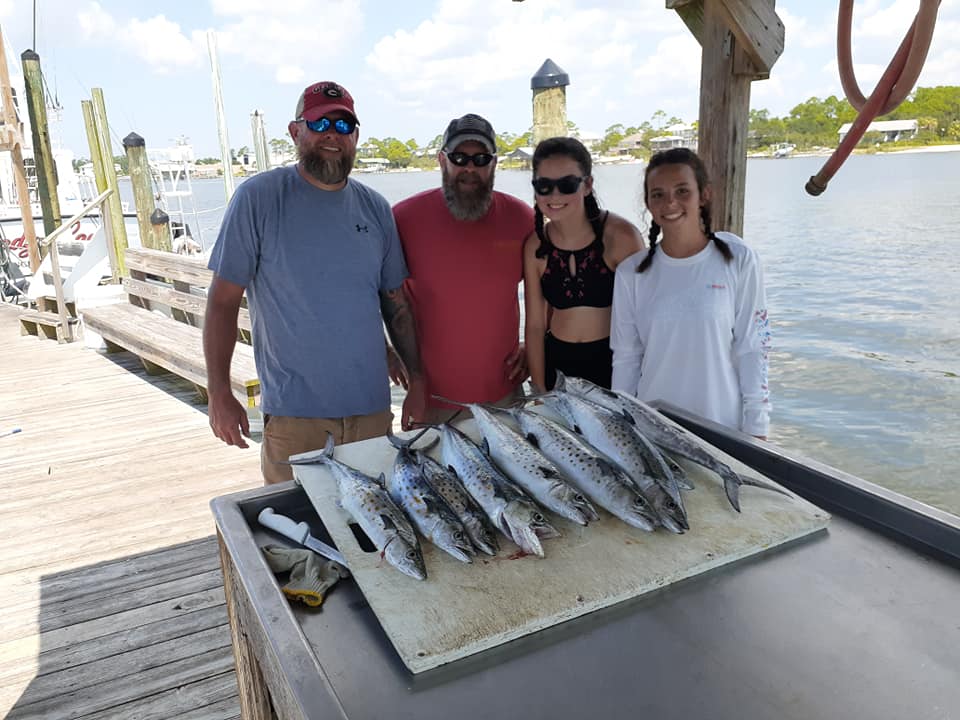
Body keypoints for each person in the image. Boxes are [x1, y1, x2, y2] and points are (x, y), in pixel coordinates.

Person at [204, 80, 425, 484]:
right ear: (295, 131)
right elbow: (221, 302)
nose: (332, 136)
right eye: (320, 123)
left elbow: (395, 303)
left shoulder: (375, 209)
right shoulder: (258, 198)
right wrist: (218, 391)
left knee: (375, 537)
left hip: (371, 414)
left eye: (343, 127)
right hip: (294, 418)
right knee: (299, 535)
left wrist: (418, 378)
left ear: (356, 136)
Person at [610, 148, 771, 439]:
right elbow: (626, 359)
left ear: (704, 195)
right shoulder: (630, 274)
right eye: (657, 194)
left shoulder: (739, 258)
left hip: (724, 426)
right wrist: (625, 430)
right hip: (655, 430)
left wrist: (757, 427)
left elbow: (753, 347)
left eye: (682, 190)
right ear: (648, 203)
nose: (670, 202)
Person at [391, 113, 533, 423]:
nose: (470, 168)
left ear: (494, 164)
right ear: (442, 161)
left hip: (506, 399)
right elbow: (372, 291)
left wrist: (535, 344)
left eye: (481, 159)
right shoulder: (401, 219)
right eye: (459, 157)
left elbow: (552, 293)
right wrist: (383, 348)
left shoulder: (523, 219)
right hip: (432, 401)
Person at [523, 137, 645, 392]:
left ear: (587, 185)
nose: (554, 195)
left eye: (567, 184)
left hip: (613, 366)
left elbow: (645, 319)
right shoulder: (535, 246)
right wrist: (537, 388)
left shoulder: (622, 237)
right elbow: (534, 327)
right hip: (556, 369)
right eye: (544, 186)